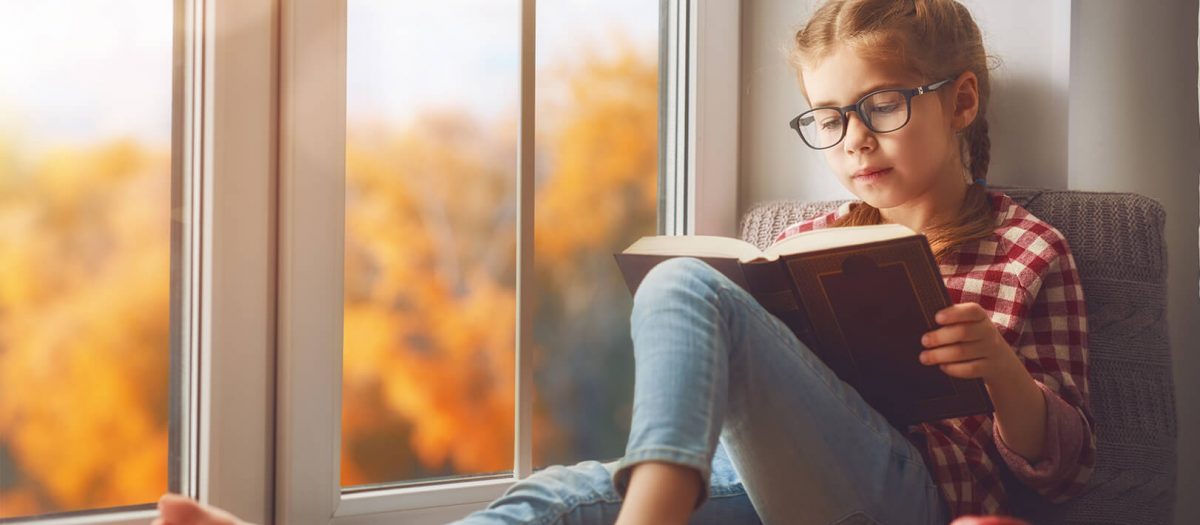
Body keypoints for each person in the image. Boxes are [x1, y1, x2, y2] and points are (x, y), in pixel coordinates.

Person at [154, 0, 1095, 523]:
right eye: (829, 118)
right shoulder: (807, 239)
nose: (853, 140)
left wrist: (1004, 376)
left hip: (905, 498)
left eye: (882, 105)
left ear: (961, 101)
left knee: (686, 282)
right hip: (757, 488)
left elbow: (1064, 468)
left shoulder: (1024, 250)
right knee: (556, 499)